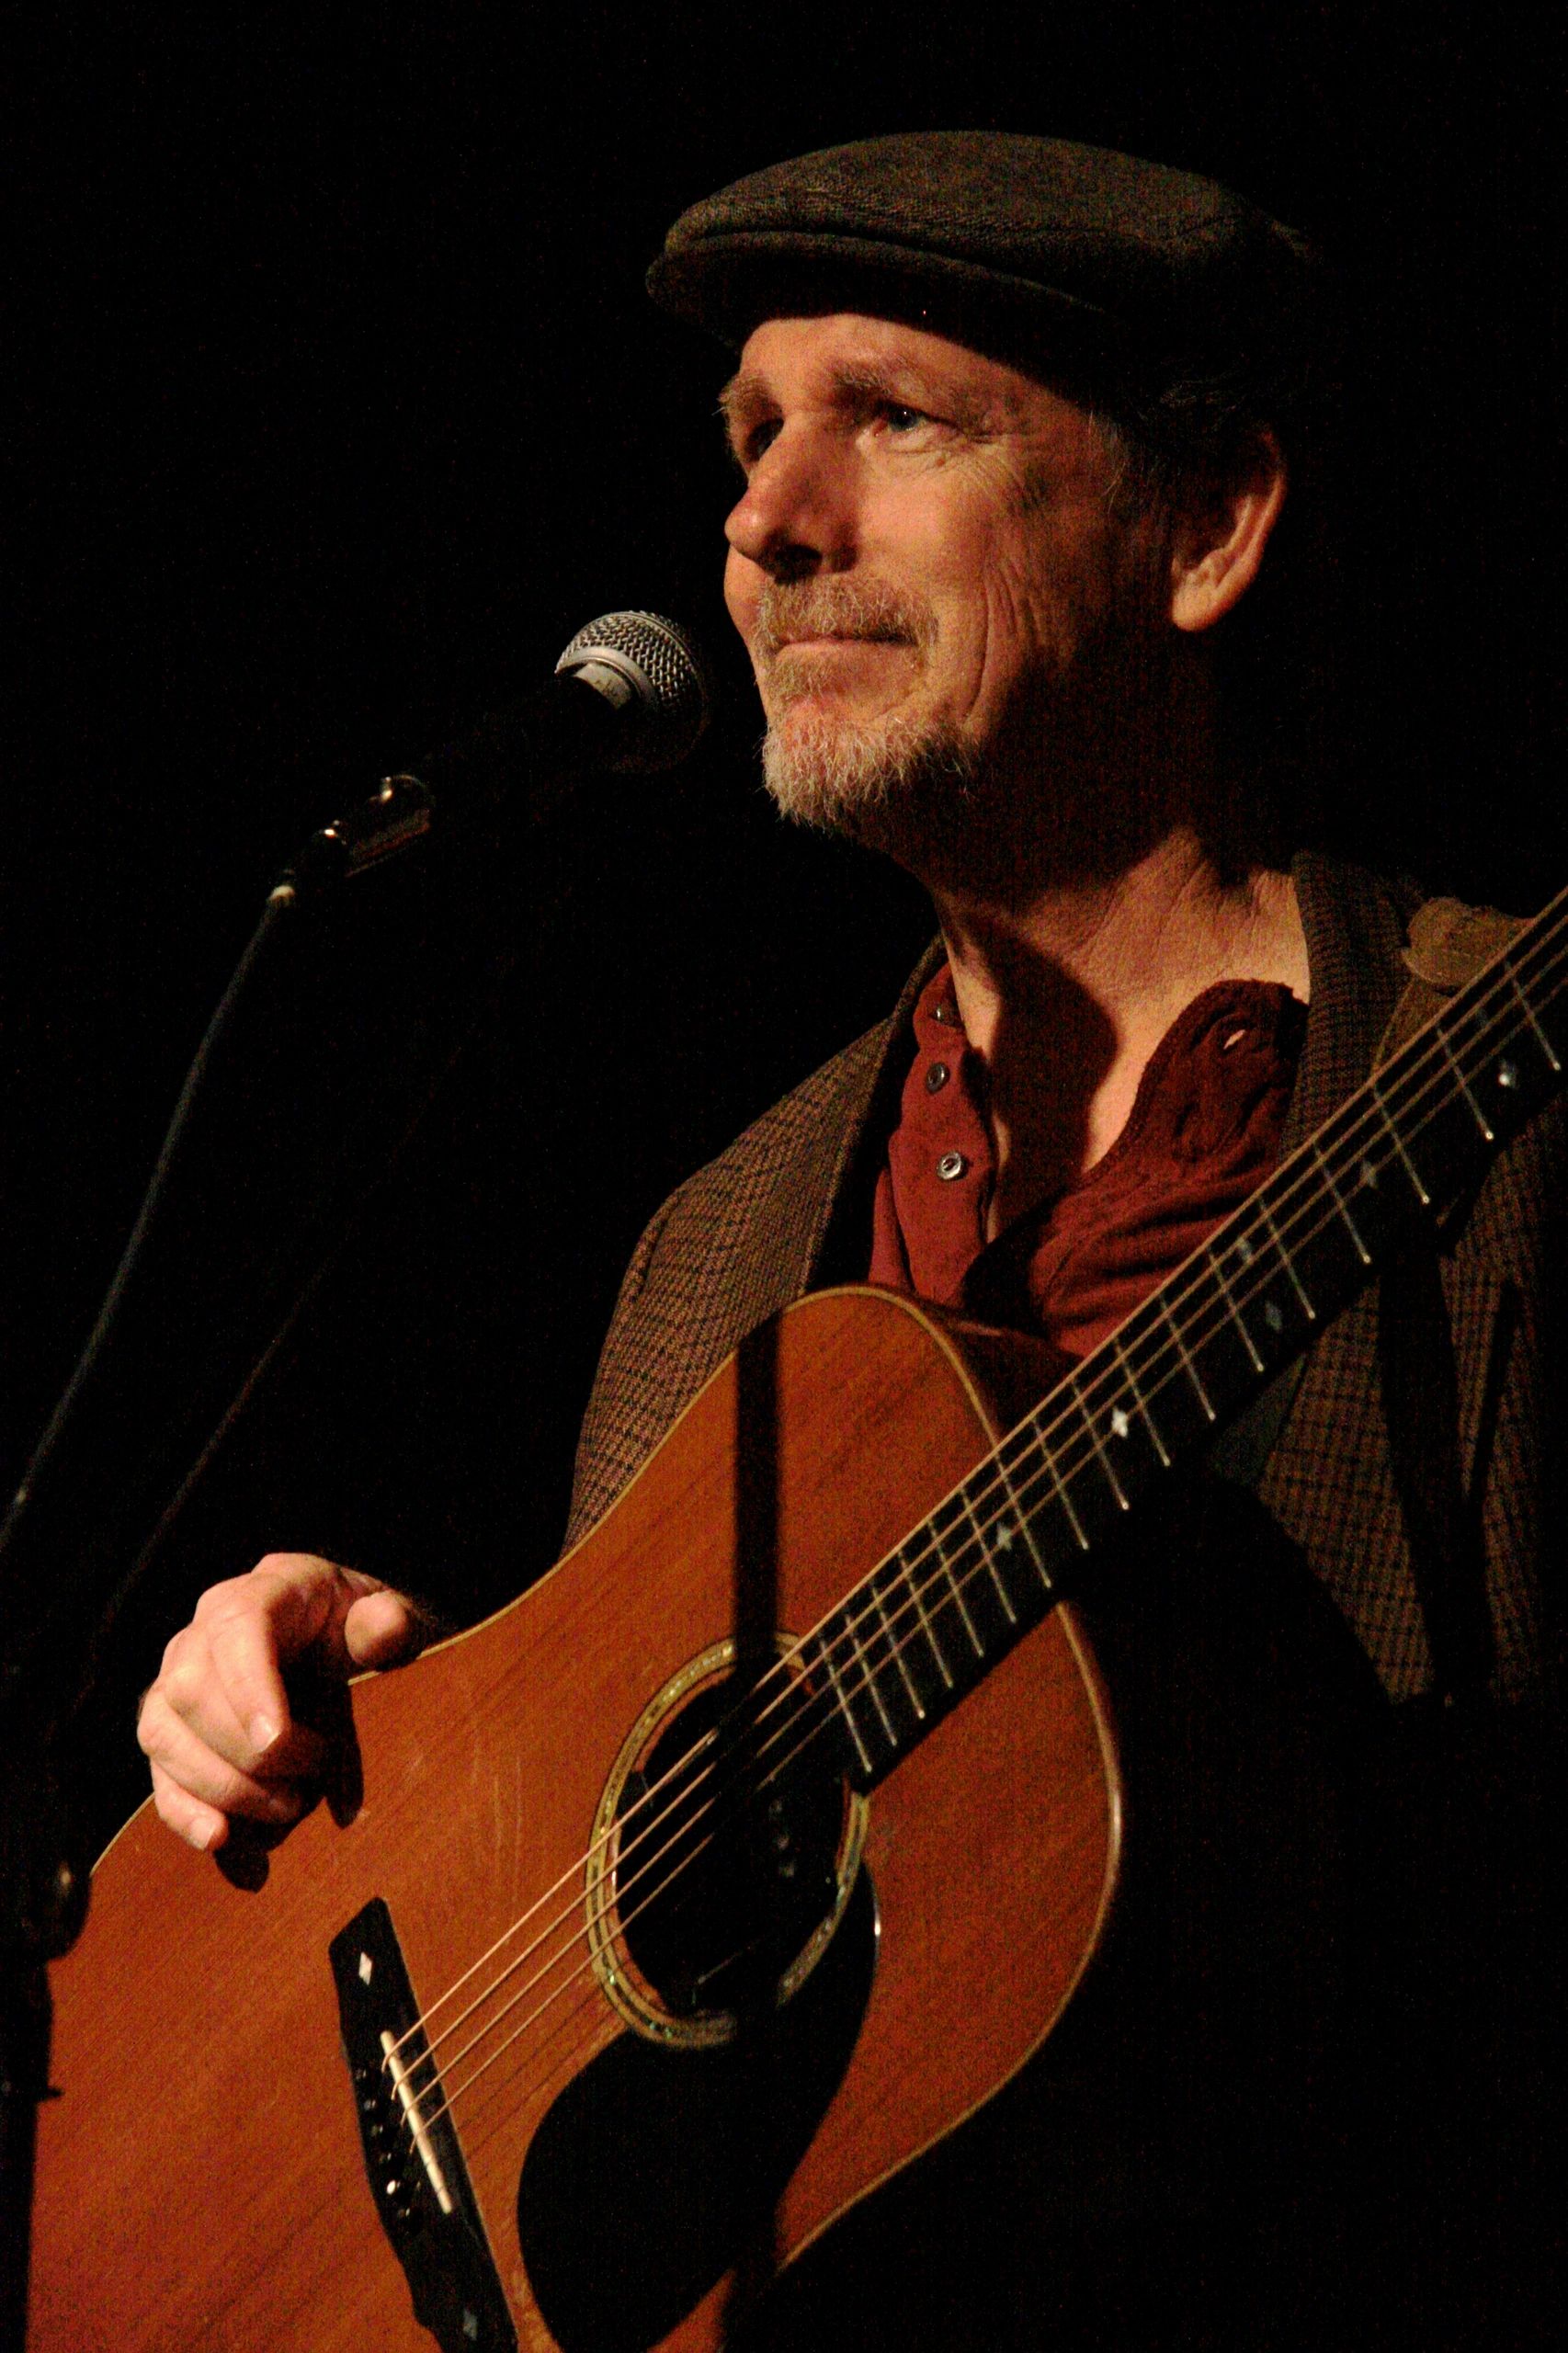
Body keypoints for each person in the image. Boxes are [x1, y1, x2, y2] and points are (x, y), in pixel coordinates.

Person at [133, 135, 1562, 2347]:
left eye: (893, 419)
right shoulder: (710, 1250)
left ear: (1208, 523)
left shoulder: (1515, 1109)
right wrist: (351, 1712)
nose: (768, 520)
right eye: (748, 438)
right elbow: (593, 1904)